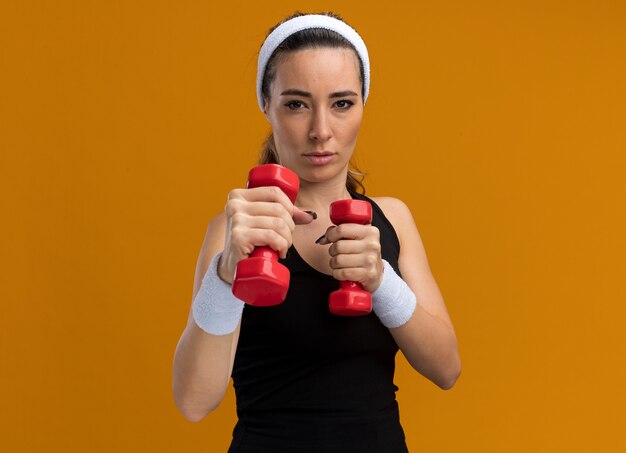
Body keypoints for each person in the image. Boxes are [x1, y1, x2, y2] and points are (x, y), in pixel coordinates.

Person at [173, 12, 461, 452]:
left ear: (363, 103)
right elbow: (193, 401)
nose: (321, 131)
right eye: (296, 103)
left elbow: (446, 369)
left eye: (342, 103)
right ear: (266, 104)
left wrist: (381, 281)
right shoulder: (232, 230)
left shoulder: (393, 219)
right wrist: (226, 275)